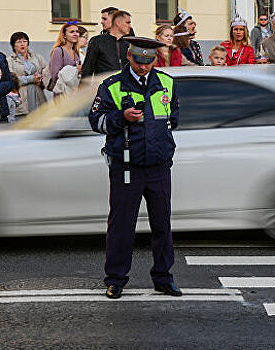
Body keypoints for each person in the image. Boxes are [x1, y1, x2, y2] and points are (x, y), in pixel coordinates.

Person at [88, 37, 181, 300]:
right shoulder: (112, 85)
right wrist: (121, 117)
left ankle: (163, 278)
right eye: (138, 61)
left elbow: (173, 117)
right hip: (126, 166)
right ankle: (116, 279)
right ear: (129, 57)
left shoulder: (167, 82)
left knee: (162, 225)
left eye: (148, 61)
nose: (143, 67)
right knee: (121, 226)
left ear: (155, 60)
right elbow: (96, 121)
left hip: (158, 166)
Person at [6, 31, 47, 117]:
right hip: (22, 95)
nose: (22, 44)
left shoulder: (36, 57)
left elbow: (46, 72)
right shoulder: (9, 60)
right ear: (13, 45)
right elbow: (11, 79)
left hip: (38, 94)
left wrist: (41, 80)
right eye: (19, 42)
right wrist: (31, 79)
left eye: (25, 41)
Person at [81, 10, 131, 78]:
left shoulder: (128, 44)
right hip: (104, 86)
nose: (130, 26)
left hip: (125, 87)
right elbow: (87, 69)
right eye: (128, 23)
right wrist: (83, 87)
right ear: (118, 23)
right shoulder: (97, 41)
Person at [49, 23, 81, 96]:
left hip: (73, 94)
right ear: (64, 36)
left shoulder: (75, 52)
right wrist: (76, 70)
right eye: (72, 32)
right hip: (62, 95)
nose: (75, 34)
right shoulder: (59, 51)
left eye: (77, 31)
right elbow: (55, 76)